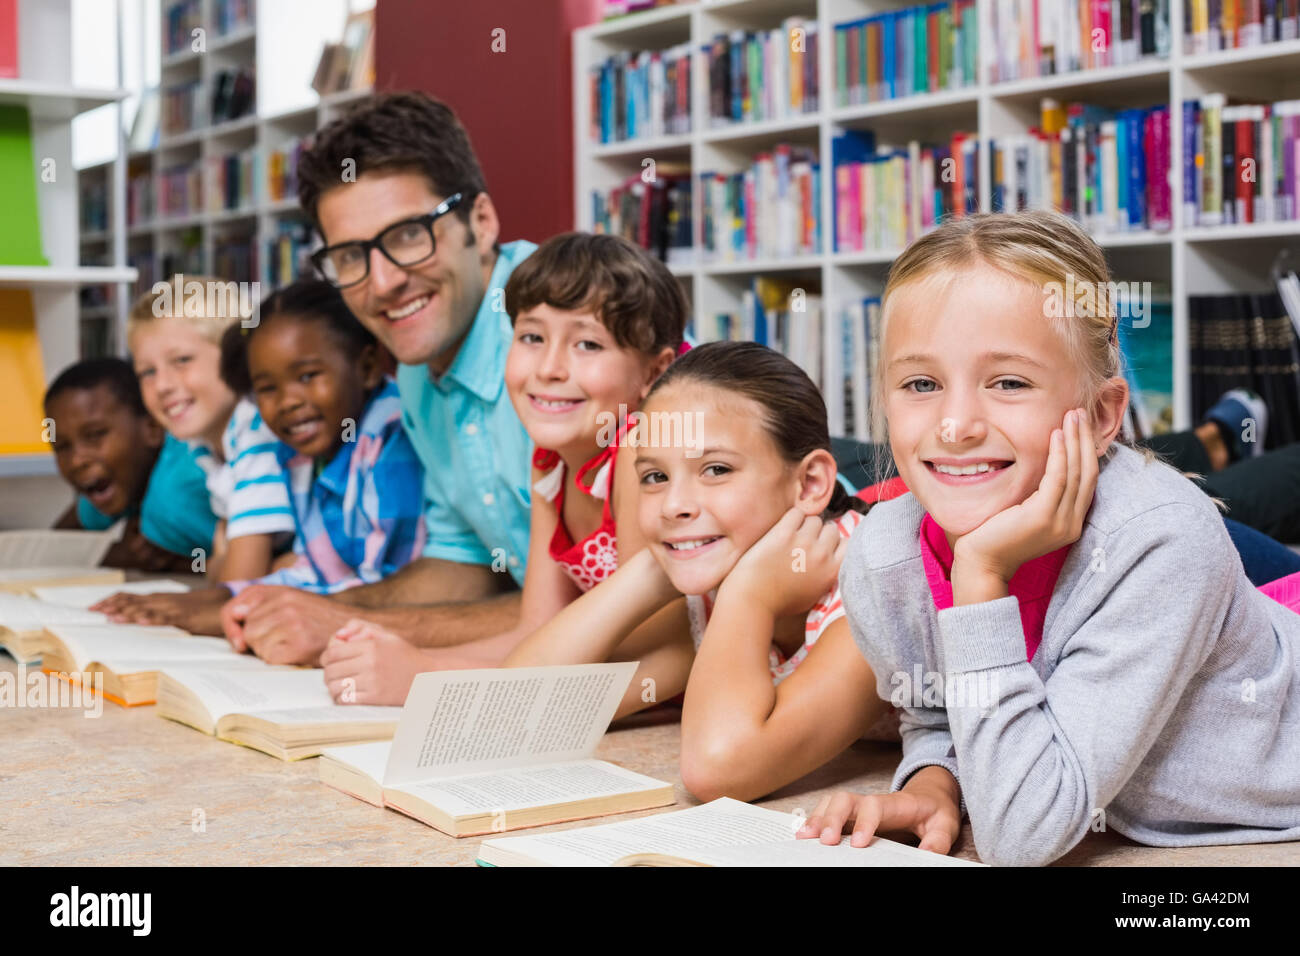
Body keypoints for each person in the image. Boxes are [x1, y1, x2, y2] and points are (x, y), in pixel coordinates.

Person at [796, 210, 1300, 866]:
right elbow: (938, 714)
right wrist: (935, 784)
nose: (954, 426)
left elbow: (1023, 834)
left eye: (1008, 382)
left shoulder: (1161, 542)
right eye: (921, 383)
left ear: (1099, 416)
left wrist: (978, 578)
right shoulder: (884, 558)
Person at [217, 91, 539, 665]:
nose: (383, 282)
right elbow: (465, 567)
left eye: (409, 234)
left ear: (481, 222)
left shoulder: (568, 337)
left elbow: (628, 600)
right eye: (348, 256)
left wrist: (344, 619)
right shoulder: (417, 369)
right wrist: (298, 609)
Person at [318, 232, 686, 703]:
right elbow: (537, 631)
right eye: (532, 337)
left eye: (588, 345)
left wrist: (426, 679)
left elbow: (647, 650)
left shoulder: (641, 459)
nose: (549, 368)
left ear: (654, 374)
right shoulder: (548, 466)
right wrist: (409, 660)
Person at [90, 276, 297, 629]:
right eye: (147, 372)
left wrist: (228, 567)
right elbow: (230, 575)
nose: (164, 385)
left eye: (182, 360)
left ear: (238, 358)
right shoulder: (207, 447)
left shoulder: (257, 436)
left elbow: (235, 590)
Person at [45, 357, 215, 572]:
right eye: (61, 446)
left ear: (153, 428)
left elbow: (253, 568)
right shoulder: (118, 480)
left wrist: (177, 562)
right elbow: (56, 544)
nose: (77, 460)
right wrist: (121, 554)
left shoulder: (177, 494)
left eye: (95, 435)